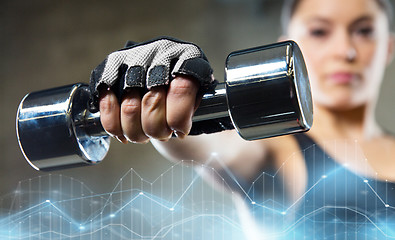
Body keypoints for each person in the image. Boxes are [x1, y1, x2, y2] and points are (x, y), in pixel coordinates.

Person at [89, 0, 395, 238]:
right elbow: (208, 145)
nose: (345, 50)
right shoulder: (274, 147)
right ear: (288, 43)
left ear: (389, 47)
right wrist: (165, 82)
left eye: (364, 30)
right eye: (319, 31)